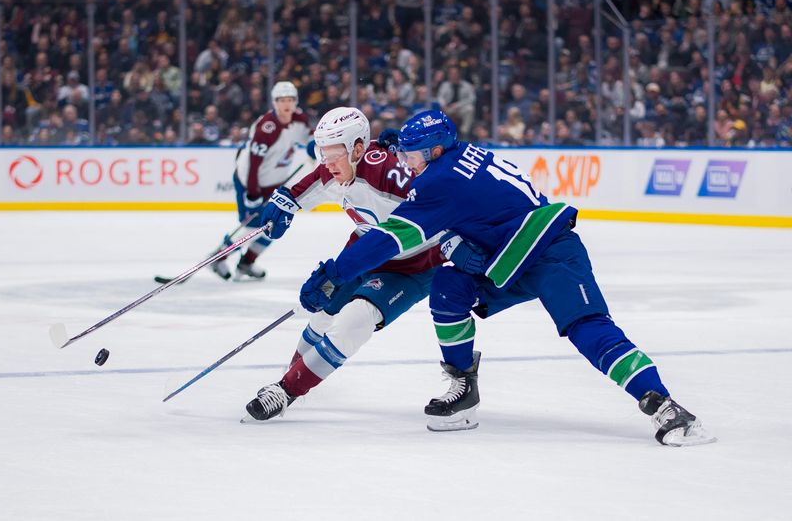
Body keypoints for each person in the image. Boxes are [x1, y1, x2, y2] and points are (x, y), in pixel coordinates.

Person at [294, 110, 716, 447]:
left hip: (551, 253)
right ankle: (463, 390)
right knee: (447, 286)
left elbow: (389, 239)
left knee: (587, 329)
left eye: (412, 154)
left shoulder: (439, 183)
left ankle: (665, 404)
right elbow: (470, 200)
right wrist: (401, 146)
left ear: (436, 152)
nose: (405, 163)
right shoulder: (455, 156)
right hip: (506, 257)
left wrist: (337, 275)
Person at [242, 107, 443, 421]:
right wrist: (282, 204)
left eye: (336, 153)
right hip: (365, 249)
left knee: (355, 320)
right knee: (324, 310)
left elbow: (441, 201)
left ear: (358, 149)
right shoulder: (334, 169)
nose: (328, 162)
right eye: (323, 153)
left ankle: (286, 391)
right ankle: (295, 373)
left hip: (414, 265)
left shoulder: (388, 173)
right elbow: (298, 192)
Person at [211, 81, 315, 281]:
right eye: (282, 100)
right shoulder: (267, 128)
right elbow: (253, 163)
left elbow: (308, 137)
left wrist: (314, 146)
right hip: (251, 182)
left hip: (274, 184)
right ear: (275, 102)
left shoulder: (299, 119)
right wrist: (252, 193)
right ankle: (219, 257)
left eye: (290, 100)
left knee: (275, 223)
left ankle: (247, 263)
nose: (286, 105)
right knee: (252, 227)